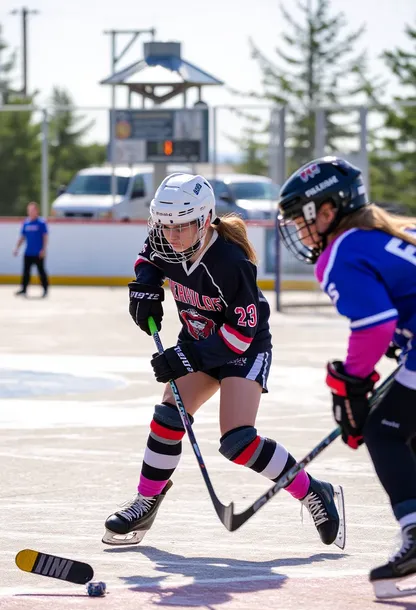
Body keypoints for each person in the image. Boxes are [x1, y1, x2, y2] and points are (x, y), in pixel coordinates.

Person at [102, 173, 345, 549]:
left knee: (238, 442)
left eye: (182, 227)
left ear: (205, 219)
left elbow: (239, 336)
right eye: (166, 226)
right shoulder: (165, 235)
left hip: (243, 349)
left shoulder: (230, 262)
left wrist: (185, 357)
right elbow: (147, 256)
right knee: (168, 418)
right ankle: (146, 501)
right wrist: (146, 286)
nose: (173, 235)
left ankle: (313, 490)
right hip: (199, 340)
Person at [277, 155, 416, 599]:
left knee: (384, 429)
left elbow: (374, 324)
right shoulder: (388, 233)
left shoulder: (343, 251)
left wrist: (354, 383)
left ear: (327, 210)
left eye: (301, 220)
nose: (299, 231)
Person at [13, 201, 49, 297]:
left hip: (38, 252)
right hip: (28, 252)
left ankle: (45, 289)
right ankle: (24, 289)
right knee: (26, 272)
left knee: (41, 271)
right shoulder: (26, 223)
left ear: (37, 211)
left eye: (33, 210)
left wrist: (44, 249)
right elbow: (22, 237)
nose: (31, 212)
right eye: (29, 210)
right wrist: (17, 248)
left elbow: (45, 237)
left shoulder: (41, 223)